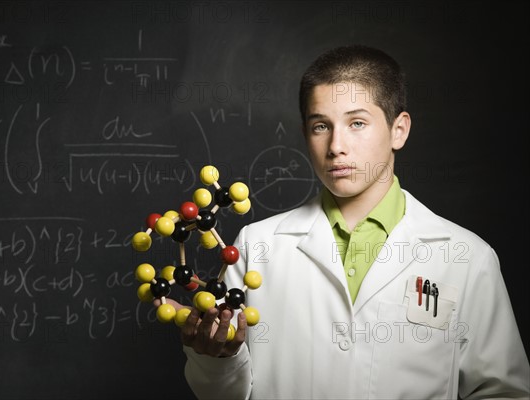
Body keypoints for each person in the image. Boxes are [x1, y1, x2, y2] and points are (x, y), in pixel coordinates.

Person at [160, 45, 530, 399]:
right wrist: (217, 358)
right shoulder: (257, 247)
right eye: (321, 126)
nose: (336, 145)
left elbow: (503, 391)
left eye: (356, 123)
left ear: (398, 130)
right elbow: (223, 394)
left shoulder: (466, 257)